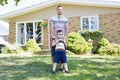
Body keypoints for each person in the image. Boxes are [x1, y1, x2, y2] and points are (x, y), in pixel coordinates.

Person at [49, 5, 69, 72]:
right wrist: (56, 37)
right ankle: (53, 67)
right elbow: (51, 29)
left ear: (62, 10)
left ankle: (61, 68)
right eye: (58, 9)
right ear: (56, 10)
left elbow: (67, 29)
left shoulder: (65, 19)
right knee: (53, 53)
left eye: (61, 9)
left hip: (62, 38)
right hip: (54, 38)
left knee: (62, 53)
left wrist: (64, 37)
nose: (60, 10)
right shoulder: (52, 18)